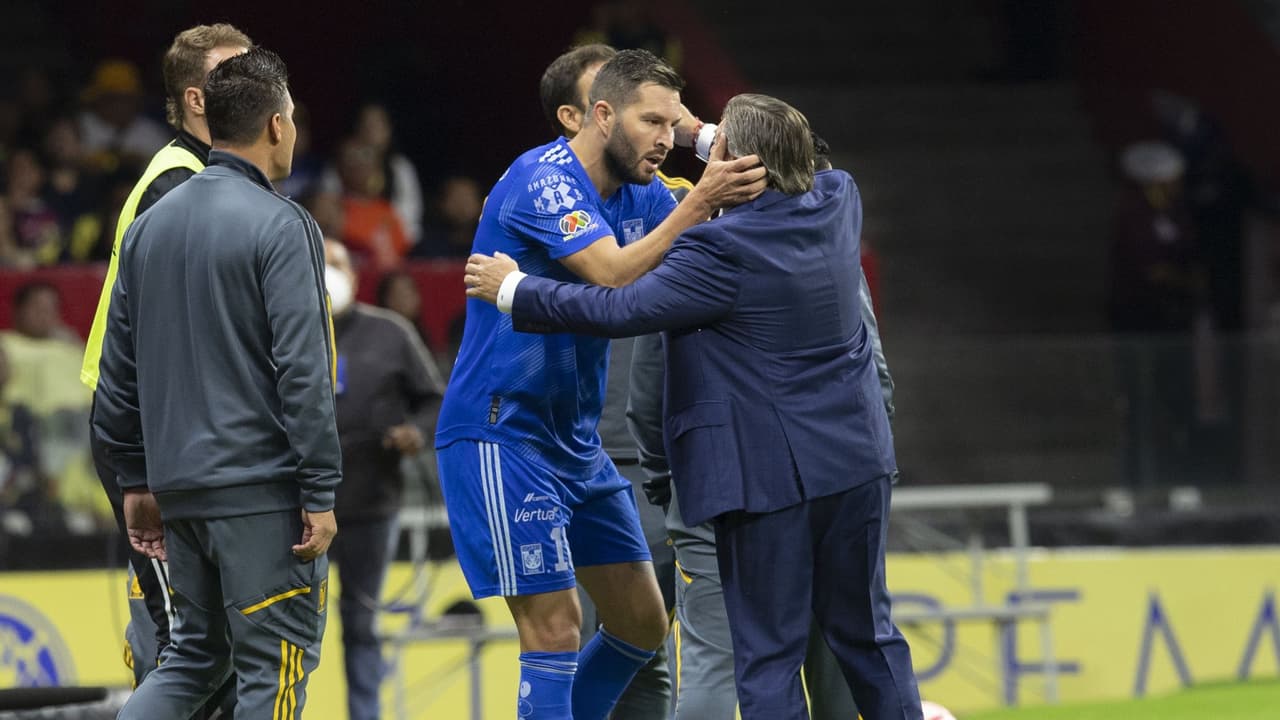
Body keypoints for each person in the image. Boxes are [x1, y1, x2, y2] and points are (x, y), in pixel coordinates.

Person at [464, 93, 924, 720]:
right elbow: (807, 161)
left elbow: (619, 308)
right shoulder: (839, 198)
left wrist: (516, 290)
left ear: (734, 159)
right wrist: (705, 135)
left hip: (768, 482)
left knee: (767, 655)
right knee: (870, 638)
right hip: (857, 464)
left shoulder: (719, 247)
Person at [434, 48, 766, 719]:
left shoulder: (644, 192)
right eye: (651, 122)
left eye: (671, 124)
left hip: (576, 443)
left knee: (642, 623)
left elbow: (743, 200)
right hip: (503, 434)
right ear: (603, 114)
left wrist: (701, 138)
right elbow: (612, 273)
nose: (664, 140)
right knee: (555, 629)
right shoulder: (543, 178)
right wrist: (700, 200)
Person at [93, 47, 340, 719]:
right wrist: (320, 489)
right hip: (259, 494)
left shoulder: (148, 227)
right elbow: (304, 370)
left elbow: (118, 373)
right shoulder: (283, 224)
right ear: (277, 126)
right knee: (274, 668)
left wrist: (136, 479)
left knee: (193, 659)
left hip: (177, 490)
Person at [627, 131, 890, 719]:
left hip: (726, 489)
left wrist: (664, 478)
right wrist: (872, 465)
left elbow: (648, 389)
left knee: (721, 659)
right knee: (845, 650)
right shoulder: (829, 242)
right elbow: (874, 369)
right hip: (840, 475)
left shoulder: (694, 251)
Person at [76, 23, 252, 714]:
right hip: (148, 428)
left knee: (203, 638)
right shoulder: (177, 185)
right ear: (195, 99)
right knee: (188, 645)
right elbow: (156, 341)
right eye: (234, 75)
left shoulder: (207, 177)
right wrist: (139, 470)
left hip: (170, 429)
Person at [539, 42, 678, 718]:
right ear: (581, 117)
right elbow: (609, 278)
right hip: (579, 462)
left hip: (656, 461)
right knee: (596, 644)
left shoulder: (659, 198)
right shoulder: (541, 201)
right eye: (612, 101)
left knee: (650, 652)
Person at [325, 239, 444, 720]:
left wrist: (416, 433)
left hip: (372, 501)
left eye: (335, 264)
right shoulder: (280, 330)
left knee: (361, 623)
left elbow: (434, 400)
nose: (328, 274)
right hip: (296, 509)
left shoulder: (390, 333)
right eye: (318, 265)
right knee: (290, 625)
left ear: (354, 275)